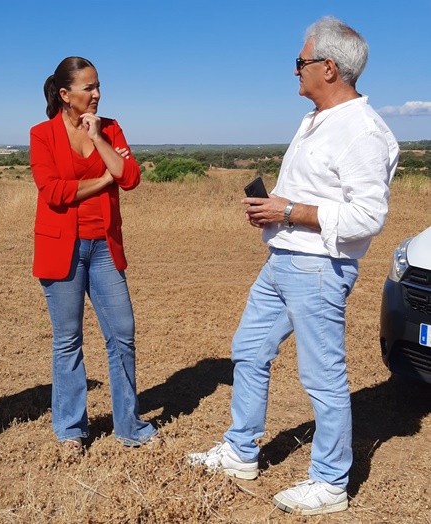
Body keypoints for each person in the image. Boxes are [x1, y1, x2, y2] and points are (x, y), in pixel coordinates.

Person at [187, 17, 399, 515]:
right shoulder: (316, 119)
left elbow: (369, 216)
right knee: (249, 350)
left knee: (322, 377)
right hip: (283, 260)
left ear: (329, 67)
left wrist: (288, 211)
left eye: (300, 63)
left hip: (319, 268)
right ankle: (241, 452)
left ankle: (329, 484)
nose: (294, 72)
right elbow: (313, 197)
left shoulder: (363, 130)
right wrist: (276, 212)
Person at [30, 56, 158, 451]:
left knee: (123, 334)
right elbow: (53, 193)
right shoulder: (42, 134)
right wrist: (105, 178)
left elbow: (131, 178)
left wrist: (99, 138)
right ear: (66, 95)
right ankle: (71, 430)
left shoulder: (111, 128)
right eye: (89, 88)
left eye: (99, 86)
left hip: (104, 246)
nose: (97, 94)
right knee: (68, 340)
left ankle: (128, 426)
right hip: (61, 249)